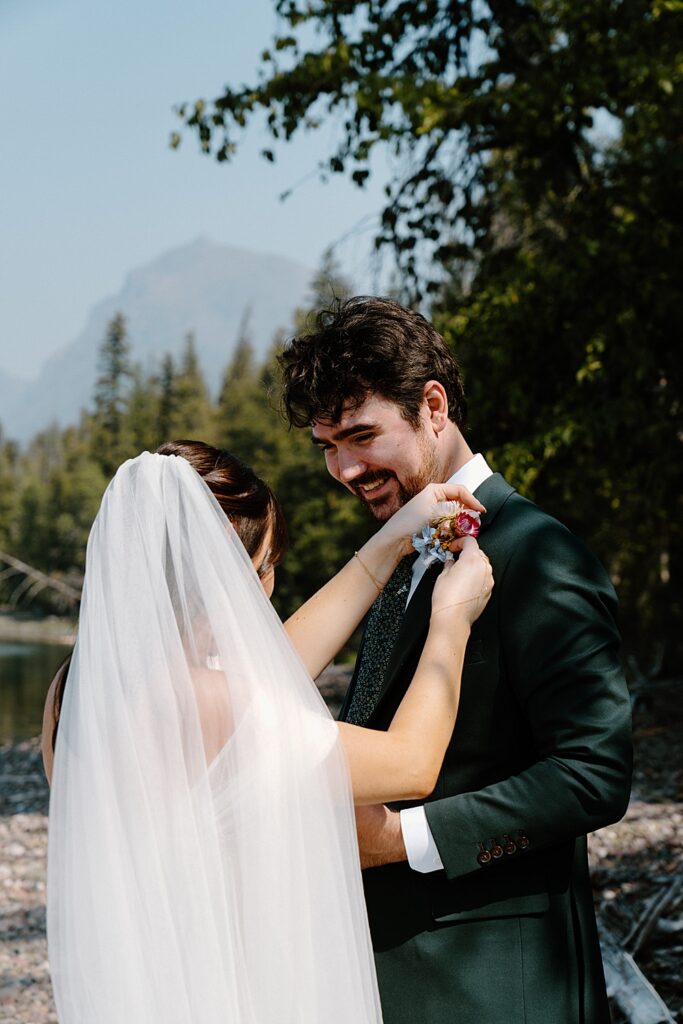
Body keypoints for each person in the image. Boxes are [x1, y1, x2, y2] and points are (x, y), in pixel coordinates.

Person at [43, 439, 492, 1024]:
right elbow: (411, 763)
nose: (269, 588)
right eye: (267, 566)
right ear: (230, 578)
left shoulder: (73, 693)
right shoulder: (214, 703)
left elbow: (270, 673)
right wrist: (452, 620)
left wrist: (389, 542)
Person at [279, 296, 634, 1024]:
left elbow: (592, 775)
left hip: (495, 981)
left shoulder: (540, 554)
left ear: (431, 406)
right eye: (325, 447)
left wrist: (399, 841)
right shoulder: (400, 546)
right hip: (387, 971)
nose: (344, 468)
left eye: (360, 436)